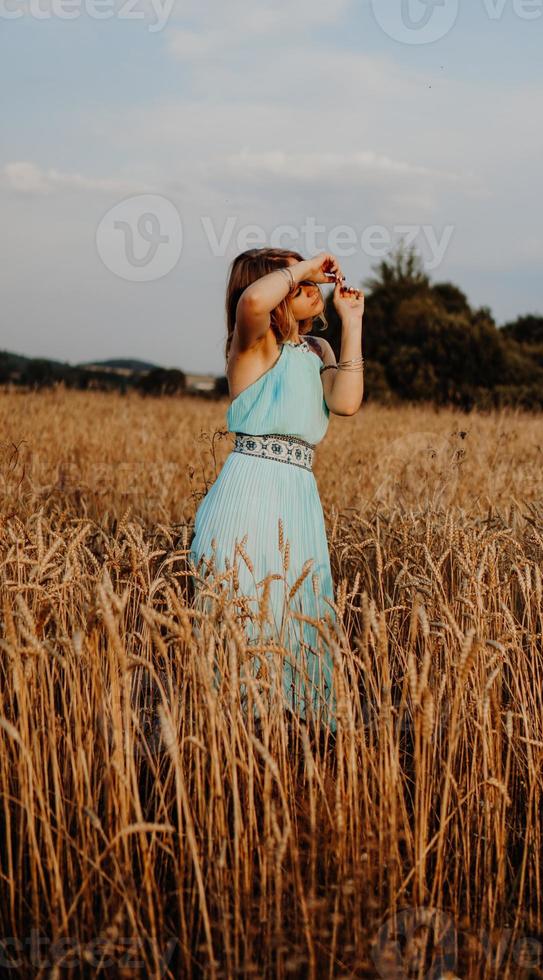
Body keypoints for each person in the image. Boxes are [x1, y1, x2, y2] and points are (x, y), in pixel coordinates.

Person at [188, 248, 365, 735]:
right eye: (300, 281)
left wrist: (351, 322)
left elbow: (346, 403)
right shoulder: (252, 342)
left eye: (313, 281)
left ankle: (288, 762)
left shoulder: (317, 352)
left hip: (299, 499)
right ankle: (230, 753)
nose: (314, 287)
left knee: (299, 623)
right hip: (248, 494)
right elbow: (252, 303)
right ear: (278, 288)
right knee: (244, 625)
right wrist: (306, 266)